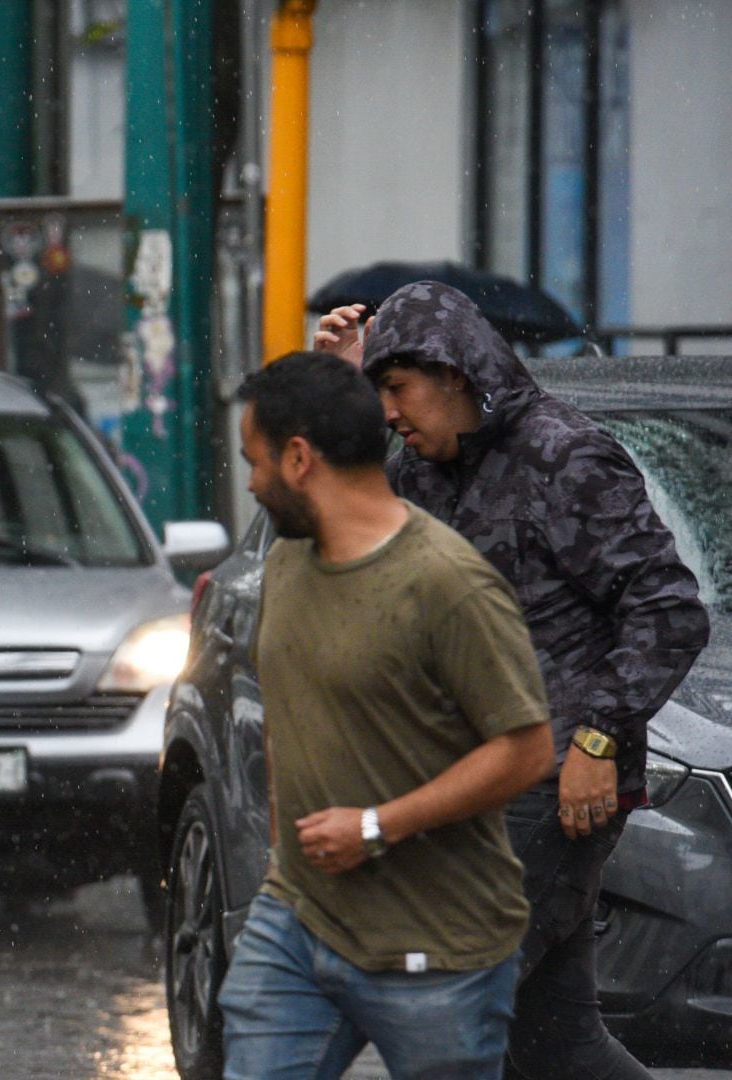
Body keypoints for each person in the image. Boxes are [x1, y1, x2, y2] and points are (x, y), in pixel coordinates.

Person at [316, 283, 709, 1079]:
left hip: (551, 780)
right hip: (472, 781)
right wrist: (342, 389)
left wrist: (600, 737)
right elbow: (340, 523)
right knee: (554, 1041)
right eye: (380, 392)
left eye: (397, 390)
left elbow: (669, 610)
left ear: (454, 372)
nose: (389, 411)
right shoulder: (427, 473)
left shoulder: (564, 455)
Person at [219, 351, 556, 1079]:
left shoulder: (448, 583)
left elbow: (527, 751)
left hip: (439, 946)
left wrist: (377, 826)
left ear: (300, 458)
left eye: (255, 462)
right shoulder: (284, 565)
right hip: (297, 920)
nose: (250, 482)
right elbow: (290, 710)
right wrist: (285, 857)